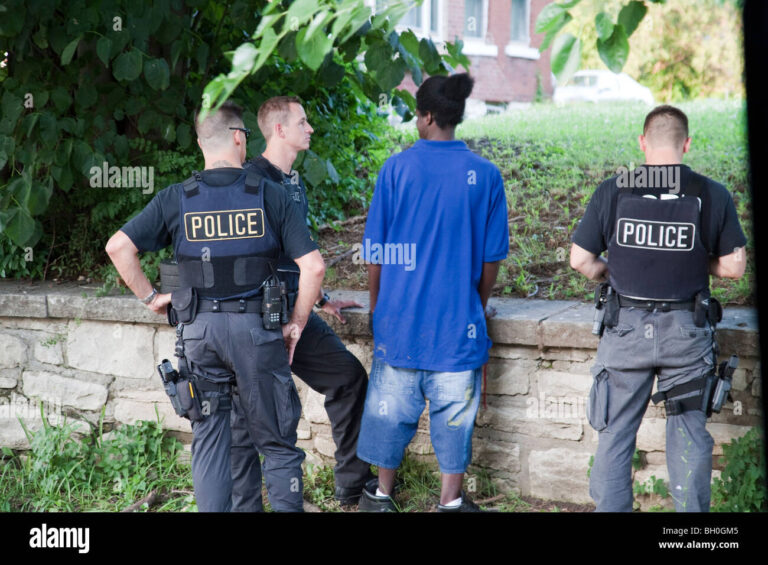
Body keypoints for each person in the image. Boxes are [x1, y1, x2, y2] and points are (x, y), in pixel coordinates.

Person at [105, 101, 326, 512]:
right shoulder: (269, 194)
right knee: (277, 446)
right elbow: (313, 267)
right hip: (256, 334)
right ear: (240, 137)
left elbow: (118, 247)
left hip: (199, 335)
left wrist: (151, 298)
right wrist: (295, 324)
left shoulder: (178, 198)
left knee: (209, 441)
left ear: (201, 142)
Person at [570, 105, 747, 512]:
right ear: (685, 144)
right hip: (686, 334)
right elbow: (735, 265)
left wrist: (611, 270)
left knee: (614, 435)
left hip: (625, 332)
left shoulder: (614, 188)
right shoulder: (710, 192)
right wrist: (693, 257)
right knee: (688, 436)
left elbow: (580, 260)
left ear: (643, 142)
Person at [355, 74, 509, 512]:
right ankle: (451, 502)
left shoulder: (396, 170)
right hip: (457, 329)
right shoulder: (486, 175)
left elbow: (375, 253)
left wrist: (378, 308)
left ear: (426, 117)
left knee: (390, 413)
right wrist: (475, 307)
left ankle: (382, 495)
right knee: (454, 420)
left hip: (398, 323)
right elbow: (491, 259)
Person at [230, 96, 372, 509]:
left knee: (347, 377)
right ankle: (253, 499)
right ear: (278, 130)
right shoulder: (249, 181)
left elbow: (296, 255)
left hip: (297, 312)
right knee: (262, 416)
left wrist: (320, 298)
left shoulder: (293, 182)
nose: (310, 128)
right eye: (302, 122)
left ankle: (350, 485)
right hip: (257, 319)